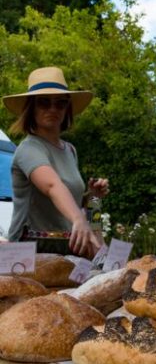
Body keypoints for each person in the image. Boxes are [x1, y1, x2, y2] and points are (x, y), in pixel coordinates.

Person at [2, 67, 109, 258]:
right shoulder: (28, 149)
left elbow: (78, 206)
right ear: (31, 107)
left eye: (60, 103)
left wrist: (93, 198)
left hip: (68, 249)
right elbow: (52, 186)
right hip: (29, 252)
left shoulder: (70, 151)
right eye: (44, 103)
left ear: (67, 108)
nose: (53, 109)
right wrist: (78, 219)